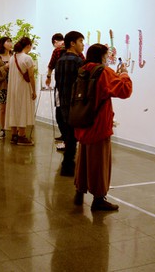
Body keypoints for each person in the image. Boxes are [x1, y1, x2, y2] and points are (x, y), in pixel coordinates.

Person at [74, 43, 132, 211]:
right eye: (106, 56)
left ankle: (79, 192)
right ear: (101, 56)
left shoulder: (83, 70)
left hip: (83, 120)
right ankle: (99, 198)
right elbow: (124, 90)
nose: (107, 60)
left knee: (83, 160)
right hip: (98, 124)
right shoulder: (103, 72)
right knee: (100, 162)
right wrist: (124, 74)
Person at [54, 31, 85, 177]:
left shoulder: (59, 61)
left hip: (64, 102)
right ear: (72, 43)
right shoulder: (78, 62)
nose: (83, 45)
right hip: (75, 104)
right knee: (73, 137)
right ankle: (68, 166)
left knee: (69, 136)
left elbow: (58, 82)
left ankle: (68, 165)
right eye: (80, 41)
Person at [5, 36, 36, 146]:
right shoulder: (27, 58)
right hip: (23, 87)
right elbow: (31, 76)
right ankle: (21, 136)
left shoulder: (12, 58)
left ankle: (14, 135)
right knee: (23, 108)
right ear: (28, 46)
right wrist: (34, 90)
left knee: (13, 109)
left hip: (12, 87)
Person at [44, 32, 67, 149]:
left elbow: (51, 65)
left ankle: (66, 137)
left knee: (60, 112)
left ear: (55, 42)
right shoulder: (75, 51)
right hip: (74, 88)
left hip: (61, 86)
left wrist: (48, 77)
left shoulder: (57, 51)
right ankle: (66, 136)